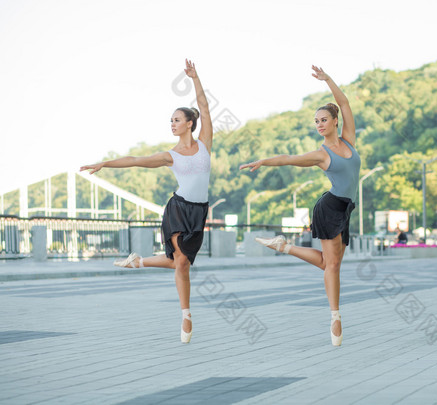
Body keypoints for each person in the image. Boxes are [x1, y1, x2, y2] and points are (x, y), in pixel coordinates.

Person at [80, 59, 213, 344]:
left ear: (190, 124)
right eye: (171, 121)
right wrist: (106, 162)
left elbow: (204, 106)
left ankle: (138, 262)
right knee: (181, 265)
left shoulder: (204, 142)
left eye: (177, 120)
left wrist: (195, 78)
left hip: (199, 212)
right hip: (178, 210)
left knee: (180, 263)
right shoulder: (170, 155)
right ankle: (186, 314)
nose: (172, 124)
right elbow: (136, 161)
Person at [239, 65, 361, 347]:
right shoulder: (321, 155)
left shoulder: (349, 141)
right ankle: (335, 318)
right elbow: (289, 158)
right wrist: (264, 161)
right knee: (332, 267)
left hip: (347, 209)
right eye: (316, 121)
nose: (319, 124)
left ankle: (285, 247)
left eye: (323, 120)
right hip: (330, 208)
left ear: (334, 121)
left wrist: (328, 79)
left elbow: (344, 103)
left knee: (331, 263)